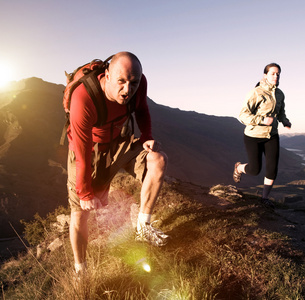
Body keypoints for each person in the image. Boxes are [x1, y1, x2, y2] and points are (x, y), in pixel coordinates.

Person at [66, 52, 168, 275]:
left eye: (133, 83)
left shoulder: (138, 84)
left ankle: (143, 226)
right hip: (88, 147)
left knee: (158, 160)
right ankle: (80, 270)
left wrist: (146, 137)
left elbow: (142, 109)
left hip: (118, 139)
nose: (127, 90)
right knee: (79, 213)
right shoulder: (84, 98)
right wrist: (84, 193)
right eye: (121, 81)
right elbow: (82, 153)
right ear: (107, 75)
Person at [233, 63, 291, 209]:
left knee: (272, 168)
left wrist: (284, 121)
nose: (276, 76)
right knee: (254, 169)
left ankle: (264, 198)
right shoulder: (256, 93)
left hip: (272, 135)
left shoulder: (279, 94)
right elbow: (242, 115)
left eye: (278, 74)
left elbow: (281, 111)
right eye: (272, 73)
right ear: (265, 75)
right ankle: (239, 168)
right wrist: (262, 120)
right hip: (254, 135)